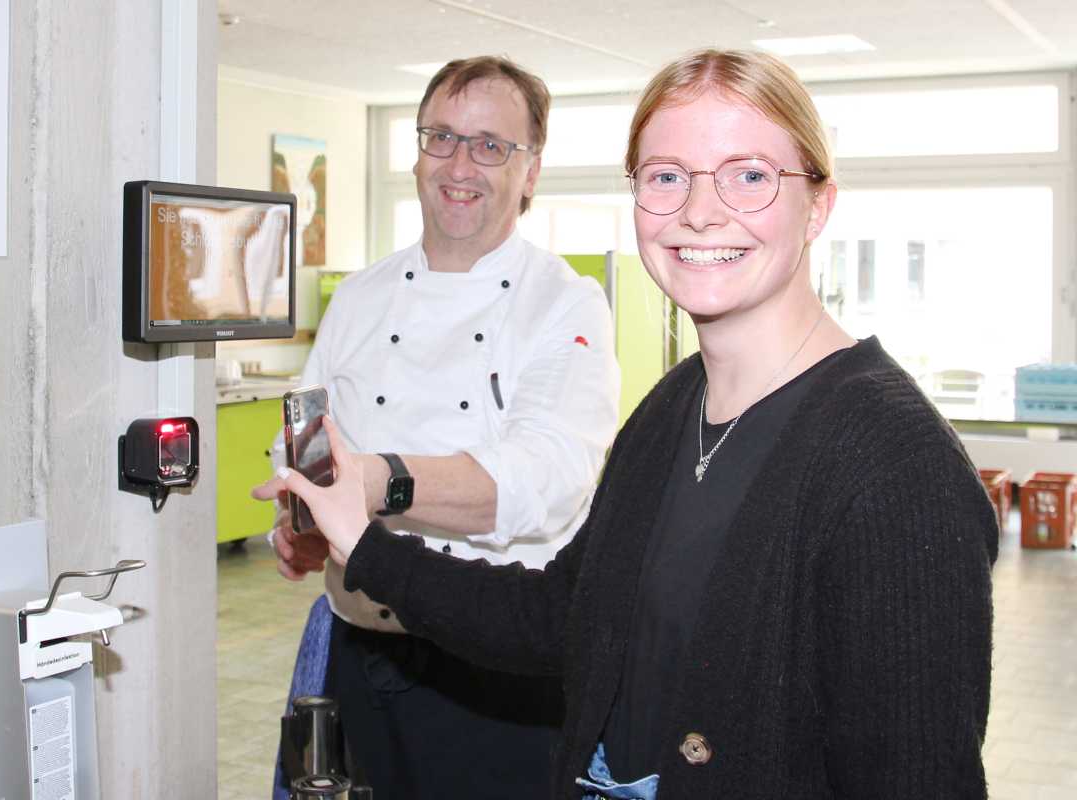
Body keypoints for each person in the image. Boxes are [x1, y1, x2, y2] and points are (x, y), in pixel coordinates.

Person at [264, 48, 1000, 799]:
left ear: (818, 206)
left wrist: (381, 489)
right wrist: (364, 547)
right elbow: (562, 619)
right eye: (667, 176)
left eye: (749, 175)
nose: (700, 212)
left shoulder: (896, 466)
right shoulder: (674, 408)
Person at [255, 56, 620, 798]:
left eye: (491, 146)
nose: (460, 164)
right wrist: (306, 519)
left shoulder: (565, 303)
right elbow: (309, 437)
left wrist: (374, 482)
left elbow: (543, 480)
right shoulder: (358, 298)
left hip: (492, 676)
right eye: (442, 137)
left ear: (531, 171)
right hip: (358, 653)